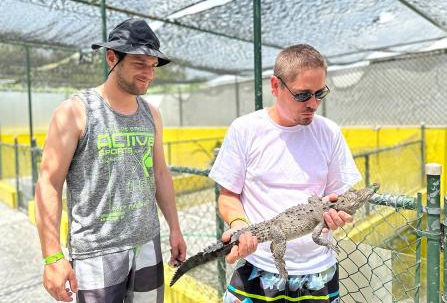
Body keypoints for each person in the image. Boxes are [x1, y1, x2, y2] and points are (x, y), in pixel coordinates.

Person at [35, 18, 186, 303]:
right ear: (111, 57)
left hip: (147, 244)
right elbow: (49, 183)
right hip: (96, 251)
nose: (148, 73)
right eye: (140, 63)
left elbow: (161, 174)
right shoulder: (76, 112)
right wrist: (52, 256)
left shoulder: (151, 114)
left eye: (153, 65)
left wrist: (175, 229)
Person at [209, 44, 362, 303]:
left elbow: (338, 196)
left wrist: (339, 215)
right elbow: (228, 196)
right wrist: (240, 226)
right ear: (276, 86)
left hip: (318, 272)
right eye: (303, 95)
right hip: (258, 266)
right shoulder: (245, 129)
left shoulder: (329, 132)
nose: (313, 104)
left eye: (320, 93)